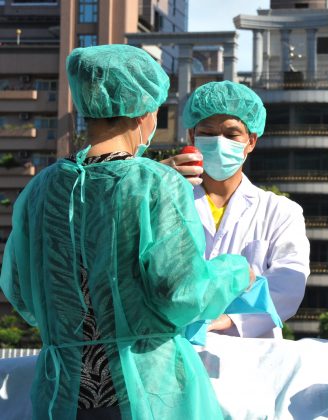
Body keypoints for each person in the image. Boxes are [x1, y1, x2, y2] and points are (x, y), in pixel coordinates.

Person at [0, 44, 254, 420]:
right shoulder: (156, 183)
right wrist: (236, 273)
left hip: (62, 394)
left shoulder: (40, 189)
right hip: (149, 392)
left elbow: (21, 292)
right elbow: (180, 293)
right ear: (145, 113)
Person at [163, 81, 310, 338]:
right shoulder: (167, 200)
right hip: (174, 348)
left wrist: (229, 319)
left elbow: (289, 284)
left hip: (250, 355)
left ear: (251, 141)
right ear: (191, 137)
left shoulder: (280, 212)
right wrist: (155, 183)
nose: (219, 143)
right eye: (207, 134)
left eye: (231, 135)